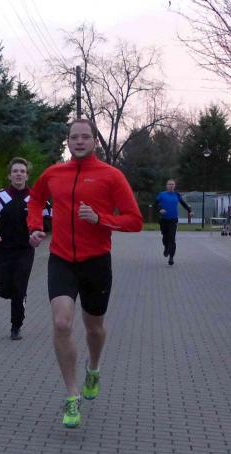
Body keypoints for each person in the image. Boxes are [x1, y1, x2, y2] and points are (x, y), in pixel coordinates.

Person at [27, 118, 143, 429]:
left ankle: (94, 368)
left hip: (96, 262)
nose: (79, 141)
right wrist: (35, 227)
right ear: (68, 141)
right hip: (61, 259)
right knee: (62, 323)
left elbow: (134, 220)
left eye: (85, 137)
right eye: (74, 137)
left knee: (94, 328)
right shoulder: (54, 173)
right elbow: (35, 198)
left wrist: (100, 219)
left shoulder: (111, 176)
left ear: (94, 141)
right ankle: (71, 395)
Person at [0, 157, 43, 340]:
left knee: (19, 286)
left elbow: (48, 218)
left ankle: (16, 325)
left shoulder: (35, 198)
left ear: (27, 176)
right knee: (3, 287)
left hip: (25, 249)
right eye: (15, 171)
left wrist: (38, 233)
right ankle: (15, 295)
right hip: (5, 249)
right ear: (9, 176)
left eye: (22, 171)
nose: (19, 174)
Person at [155, 179, 192, 266]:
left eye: (172, 184)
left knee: (172, 238)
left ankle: (171, 257)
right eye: (169, 184)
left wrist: (189, 211)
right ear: (166, 186)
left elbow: (183, 203)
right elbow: (155, 204)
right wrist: (160, 209)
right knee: (165, 238)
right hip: (163, 220)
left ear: (174, 186)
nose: (171, 186)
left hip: (173, 220)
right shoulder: (162, 194)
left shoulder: (177, 195)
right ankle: (166, 247)